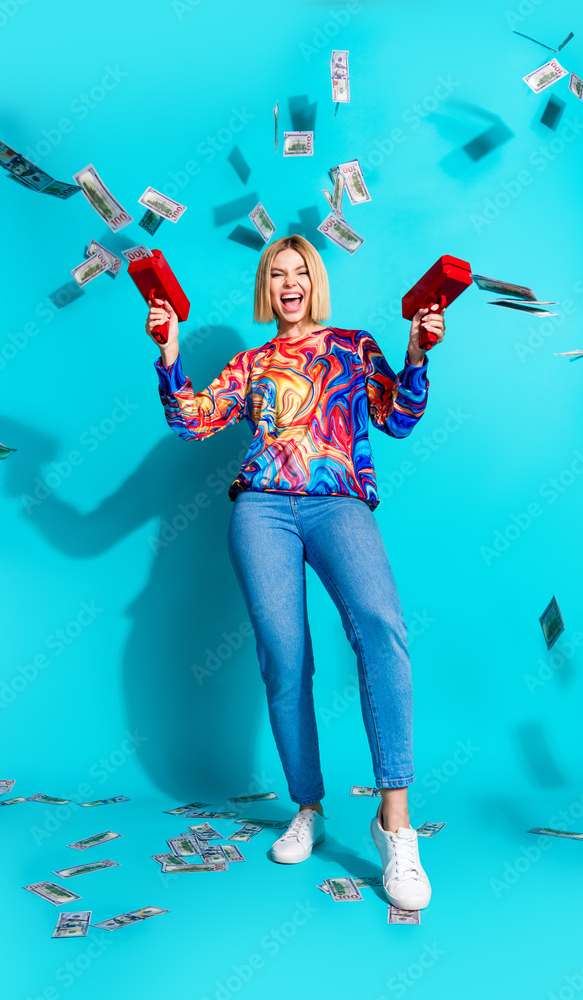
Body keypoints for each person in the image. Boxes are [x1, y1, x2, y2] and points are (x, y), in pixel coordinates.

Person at [146, 234, 446, 911]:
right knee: (285, 656)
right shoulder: (251, 361)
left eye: (300, 272)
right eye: (276, 274)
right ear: (266, 286)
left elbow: (397, 419)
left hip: (337, 502)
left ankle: (393, 824)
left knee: (379, 625)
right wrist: (167, 350)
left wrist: (418, 354)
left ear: (314, 281)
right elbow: (191, 422)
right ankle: (307, 806)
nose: (289, 283)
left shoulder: (353, 346)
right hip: (262, 510)